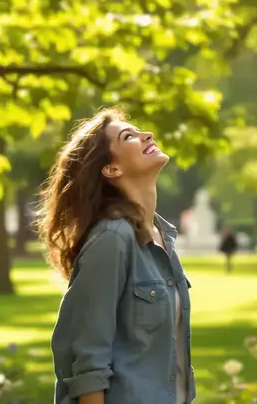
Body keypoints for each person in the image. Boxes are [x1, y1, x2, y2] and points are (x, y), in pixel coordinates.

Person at [37, 108, 194, 404]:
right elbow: (88, 363)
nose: (146, 134)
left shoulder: (164, 236)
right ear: (111, 169)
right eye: (129, 136)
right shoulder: (112, 239)